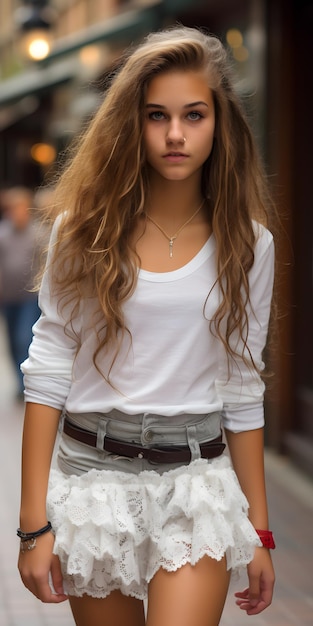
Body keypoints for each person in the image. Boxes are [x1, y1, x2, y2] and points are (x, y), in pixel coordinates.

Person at [17, 26, 276, 626]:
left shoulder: (249, 246)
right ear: (132, 124)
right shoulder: (82, 233)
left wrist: (259, 531)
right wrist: (34, 526)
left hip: (196, 481)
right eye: (157, 116)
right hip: (93, 480)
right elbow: (49, 369)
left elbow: (242, 387)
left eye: (194, 114)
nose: (176, 134)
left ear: (221, 123)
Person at [0, 186, 41, 399]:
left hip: (29, 296)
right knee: (12, 342)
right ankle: (18, 381)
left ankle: (28, 383)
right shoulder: (3, 233)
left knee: (23, 337)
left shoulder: (39, 233)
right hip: (8, 297)